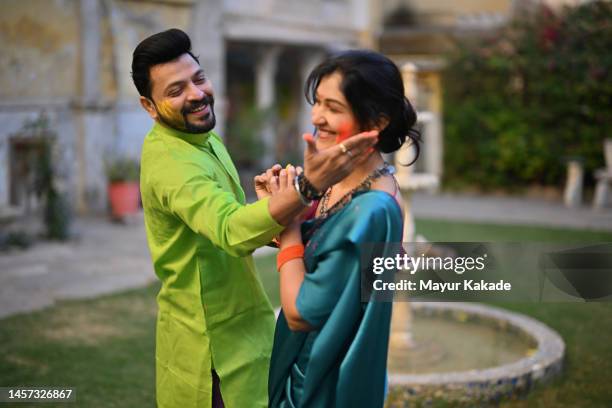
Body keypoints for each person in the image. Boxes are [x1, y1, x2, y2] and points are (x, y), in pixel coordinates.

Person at [131, 29, 380, 408]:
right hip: (209, 347)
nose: (196, 94)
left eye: (198, 79)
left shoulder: (203, 138)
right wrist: (307, 187)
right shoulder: (171, 163)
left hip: (247, 323)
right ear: (149, 106)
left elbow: (233, 220)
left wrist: (286, 216)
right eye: (176, 90)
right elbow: (231, 230)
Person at [267, 50, 420, 408]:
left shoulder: (372, 209)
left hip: (321, 382)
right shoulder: (346, 181)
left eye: (334, 108)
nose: (318, 117)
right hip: (308, 366)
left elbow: (301, 312)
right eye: (318, 102)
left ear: (377, 121)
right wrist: (285, 205)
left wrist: (289, 229)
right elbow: (328, 260)